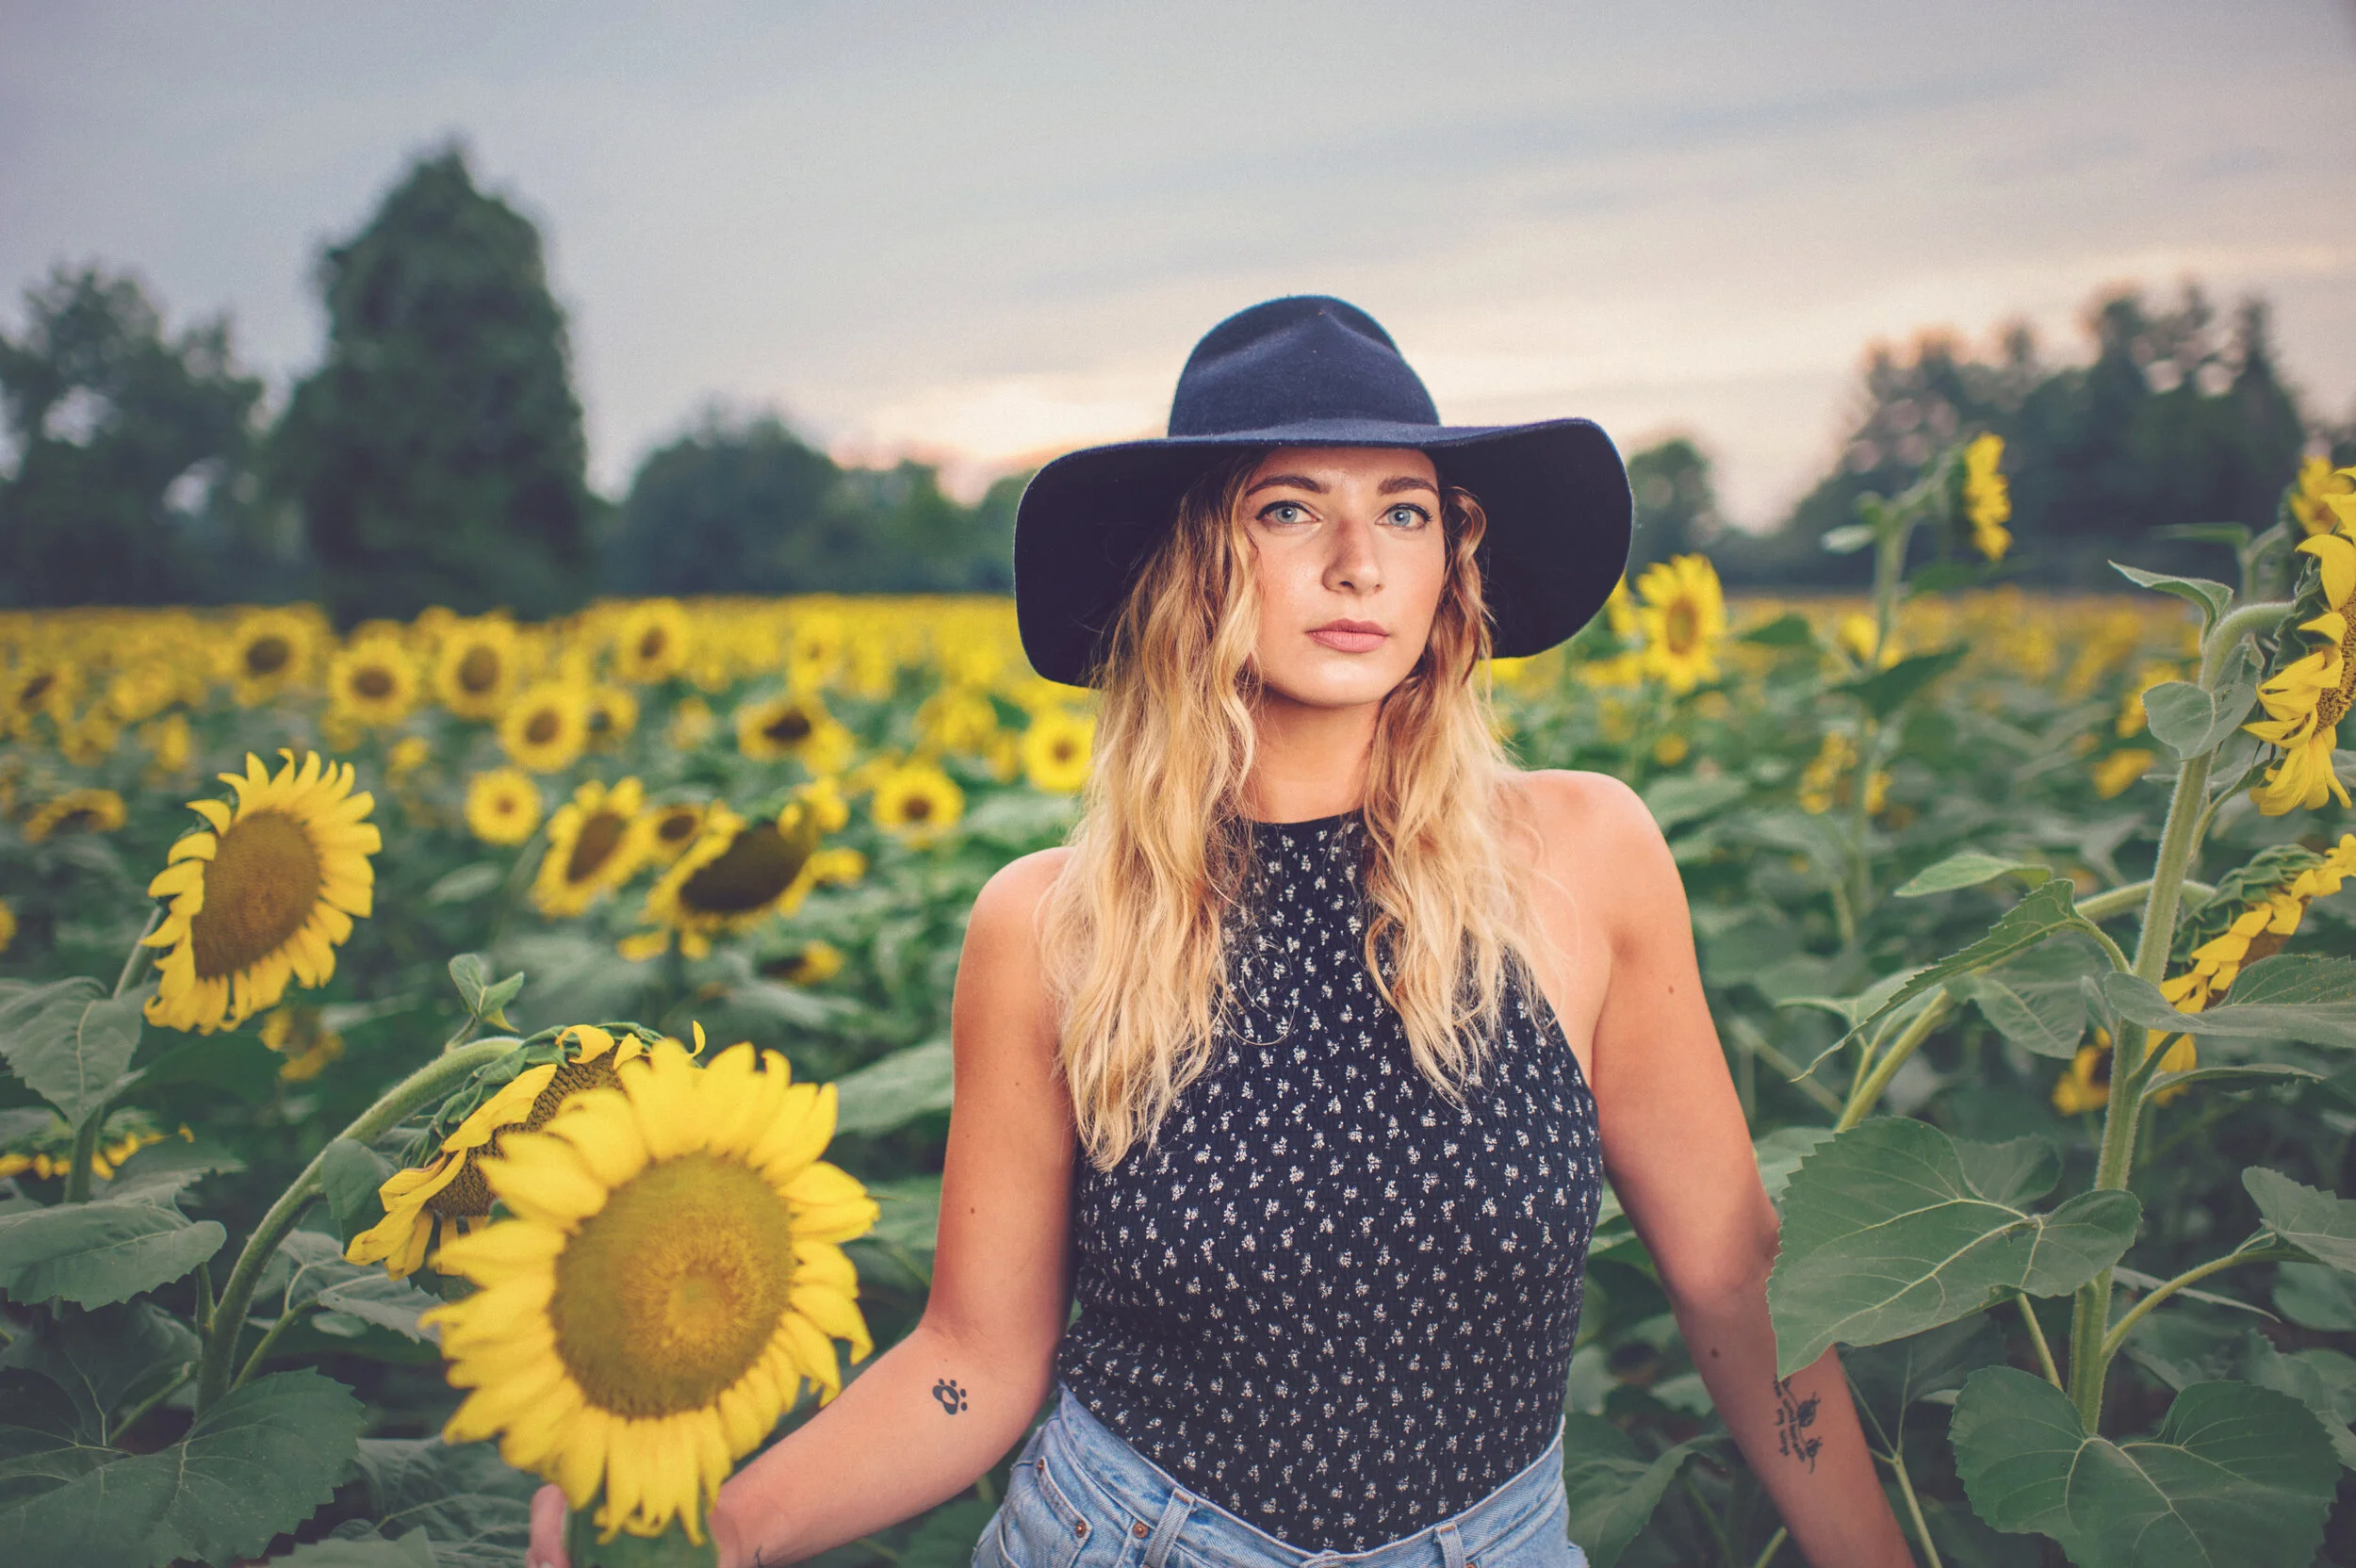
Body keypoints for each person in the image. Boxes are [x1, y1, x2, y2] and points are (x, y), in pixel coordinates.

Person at [528, 296, 1911, 1567]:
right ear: (1198, 559)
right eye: (1291, 511)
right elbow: (974, 1359)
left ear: (1451, 575)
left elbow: (1734, 1280)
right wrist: (719, 1532)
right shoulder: (1054, 924)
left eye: (1409, 513)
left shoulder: (1582, 860)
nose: (1361, 563)